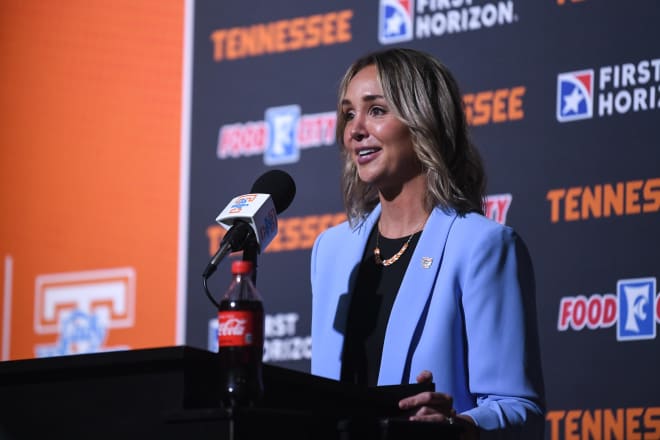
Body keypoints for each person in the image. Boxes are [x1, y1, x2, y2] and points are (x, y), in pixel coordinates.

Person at [310, 47, 545, 438]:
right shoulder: (330, 252)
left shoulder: (482, 247)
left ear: (424, 121)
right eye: (349, 113)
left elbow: (522, 410)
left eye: (377, 110)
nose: (355, 130)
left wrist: (459, 426)